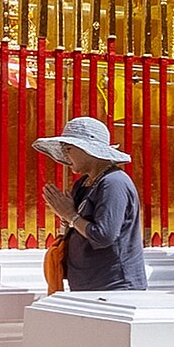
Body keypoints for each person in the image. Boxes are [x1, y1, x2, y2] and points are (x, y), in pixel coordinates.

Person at [37, 116, 144, 293]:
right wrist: (67, 217)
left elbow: (103, 236)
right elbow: (78, 223)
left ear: (87, 149)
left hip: (113, 285)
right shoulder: (83, 184)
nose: (66, 156)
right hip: (85, 282)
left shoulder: (113, 183)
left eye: (69, 149)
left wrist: (71, 215)